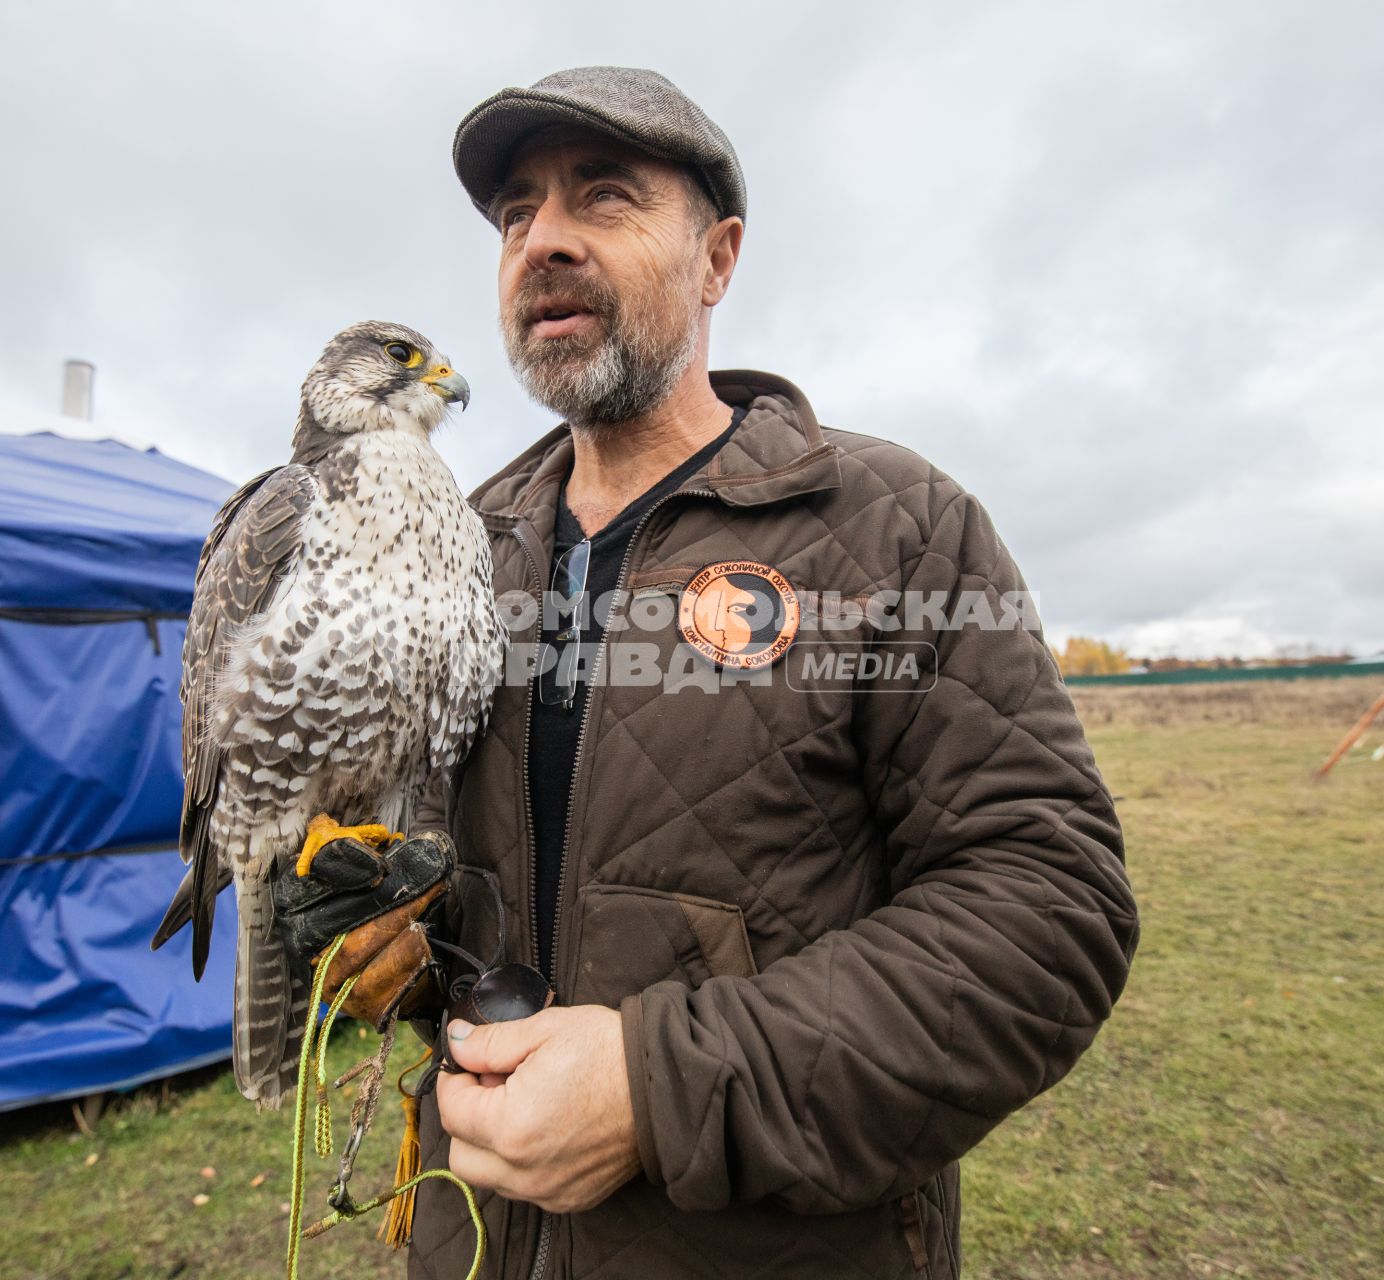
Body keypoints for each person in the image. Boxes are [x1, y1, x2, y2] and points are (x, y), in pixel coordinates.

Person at [404, 66, 1138, 1279]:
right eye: (514, 214)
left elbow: (1050, 911)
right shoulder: (455, 547)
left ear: (718, 259)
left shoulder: (896, 525)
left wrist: (657, 1088)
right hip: (471, 1241)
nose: (544, 241)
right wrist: (392, 922)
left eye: (604, 197)